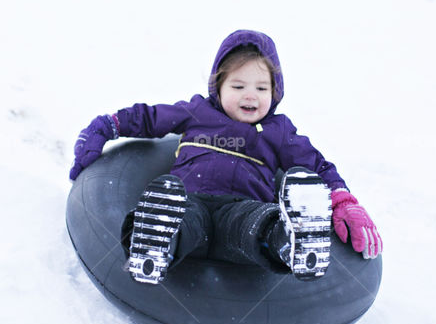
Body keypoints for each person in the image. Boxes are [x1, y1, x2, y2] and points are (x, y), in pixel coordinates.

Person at [69, 30, 383, 285]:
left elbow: (316, 164)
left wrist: (343, 200)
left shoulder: (278, 130)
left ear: (275, 92)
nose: (251, 95)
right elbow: (150, 118)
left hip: (243, 210)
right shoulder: (196, 112)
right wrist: (107, 126)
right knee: (180, 218)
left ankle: (288, 239)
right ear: (217, 87)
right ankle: (156, 242)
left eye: (262, 87)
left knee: (256, 226)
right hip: (190, 199)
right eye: (238, 85)